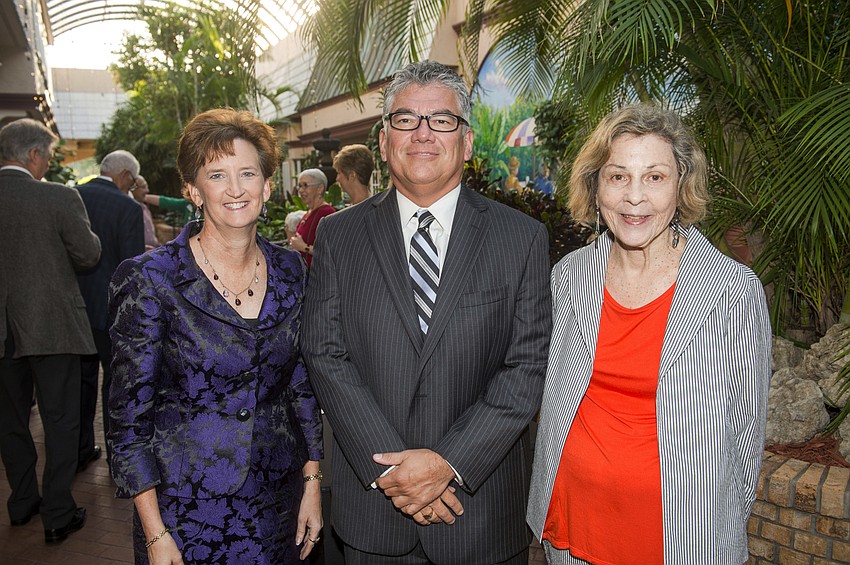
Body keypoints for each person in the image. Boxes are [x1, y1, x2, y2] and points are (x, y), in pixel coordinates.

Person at [302, 60, 552, 565]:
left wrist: (449, 463)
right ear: (384, 139)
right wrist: (393, 470)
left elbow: (526, 366)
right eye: (404, 119)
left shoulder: (520, 238)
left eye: (440, 120)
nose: (421, 134)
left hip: (477, 511)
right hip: (376, 507)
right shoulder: (339, 236)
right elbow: (324, 351)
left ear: (466, 141)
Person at [527, 104, 772, 565]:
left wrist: (719, 534)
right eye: (618, 176)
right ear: (594, 184)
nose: (634, 198)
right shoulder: (567, 277)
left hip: (682, 538)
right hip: (573, 525)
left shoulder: (731, 292)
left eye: (655, 177)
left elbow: (746, 440)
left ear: (682, 186)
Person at [107, 108, 323, 564]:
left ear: (267, 185)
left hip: (277, 502)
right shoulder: (152, 279)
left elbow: (301, 385)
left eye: (248, 173)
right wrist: (154, 533)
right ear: (193, 190)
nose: (235, 188)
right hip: (184, 512)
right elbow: (128, 421)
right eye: (217, 174)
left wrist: (312, 483)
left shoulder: (290, 271)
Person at [0, 118, 101, 543]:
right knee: (61, 421)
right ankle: (57, 511)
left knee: (10, 421)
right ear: (34, 155)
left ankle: (22, 503)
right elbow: (88, 253)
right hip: (53, 324)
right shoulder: (59, 197)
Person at [76, 149, 145, 472]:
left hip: (73, 307)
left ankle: (78, 449)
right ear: (126, 176)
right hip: (108, 310)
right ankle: (117, 458)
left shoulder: (70, 194)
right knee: (113, 384)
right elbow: (128, 269)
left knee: (79, 380)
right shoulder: (127, 206)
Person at [288, 168, 334, 267]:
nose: (300, 190)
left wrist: (304, 247)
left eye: (305, 185)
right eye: (300, 186)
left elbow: (332, 252)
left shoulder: (327, 213)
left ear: (320, 188)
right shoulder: (308, 213)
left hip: (318, 277)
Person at [130, 175, 160, 249]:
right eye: (143, 187)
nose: (147, 190)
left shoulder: (145, 208)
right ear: (132, 189)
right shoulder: (128, 212)